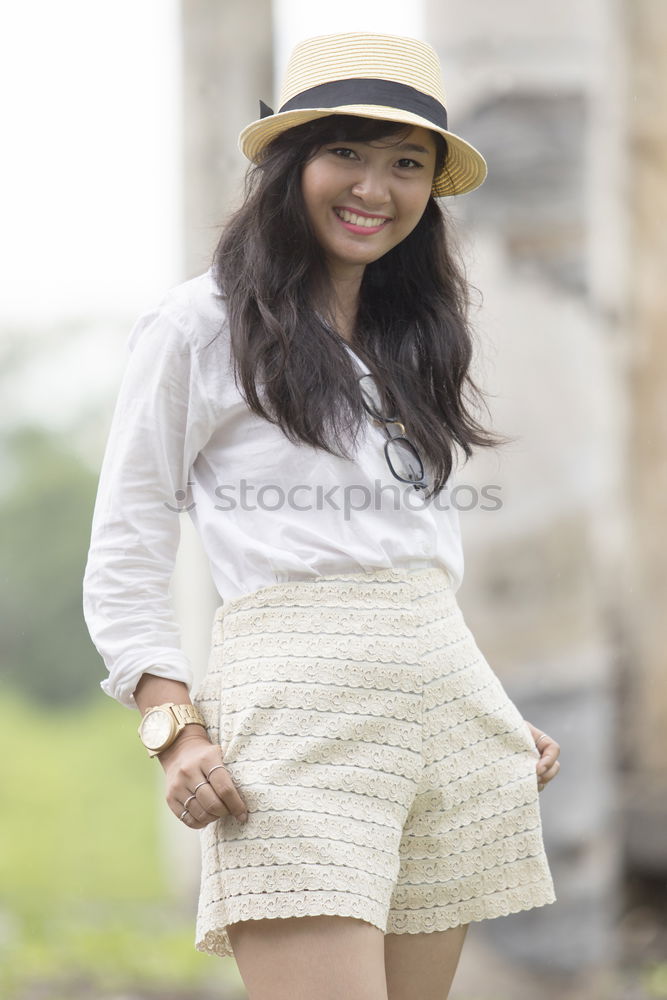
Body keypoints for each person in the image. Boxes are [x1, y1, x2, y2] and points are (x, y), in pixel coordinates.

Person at [82, 31, 560, 1000]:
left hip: (445, 708)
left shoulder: (412, 341)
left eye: (405, 162)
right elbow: (125, 551)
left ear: (431, 186)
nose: (373, 187)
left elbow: (409, 556)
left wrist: (486, 702)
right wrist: (174, 730)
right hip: (294, 718)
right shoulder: (200, 325)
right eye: (346, 151)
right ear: (290, 162)